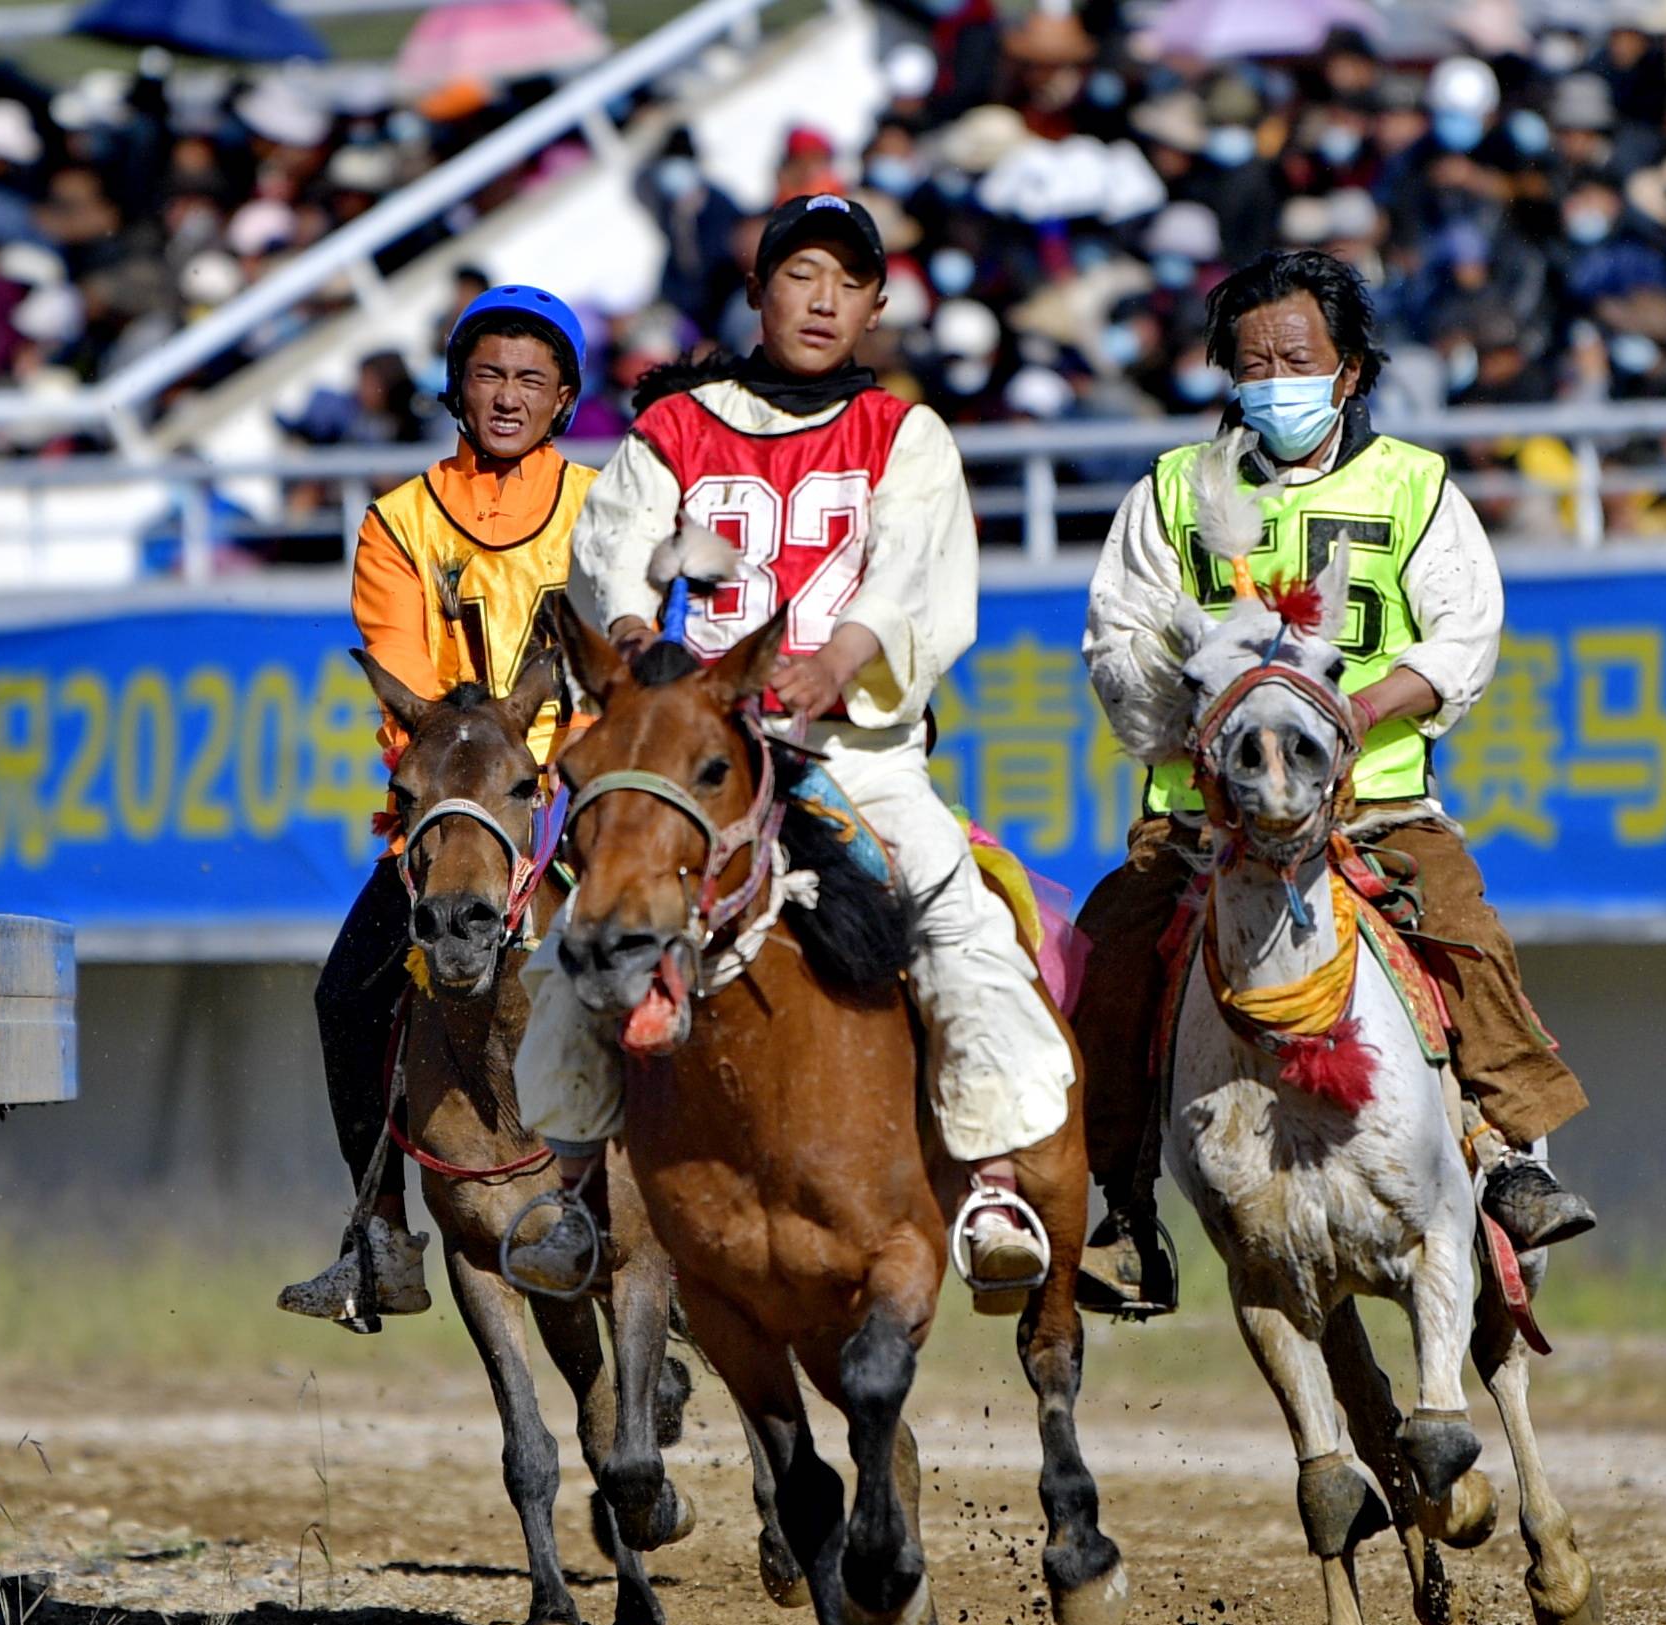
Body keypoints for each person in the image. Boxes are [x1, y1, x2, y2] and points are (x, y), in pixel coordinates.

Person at [507, 193, 1071, 1310]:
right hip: (691, 761)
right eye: (799, 275)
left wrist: (839, 659)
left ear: (876, 306)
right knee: (584, 931)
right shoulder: (674, 426)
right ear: (758, 291)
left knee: (961, 926)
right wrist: (639, 641)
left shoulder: (905, 434)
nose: (821, 300)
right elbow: (612, 553)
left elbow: (912, 575)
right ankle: (568, 1189)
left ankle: (994, 1183)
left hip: (852, 753)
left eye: (847, 282)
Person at [1076, 247, 1594, 1319]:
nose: (1274, 380)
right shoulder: (1170, 491)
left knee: (1461, 932)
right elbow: (1117, 638)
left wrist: (1357, 713)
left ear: (1348, 370)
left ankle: (1507, 1155)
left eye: (1296, 359)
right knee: (1108, 962)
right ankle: (1124, 1215)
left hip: (1376, 809)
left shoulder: (1414, 486)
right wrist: (1199, 717)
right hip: (1203, 823)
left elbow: (1462, 638)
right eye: (1252, 362)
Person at [280, 284, 596, 1328]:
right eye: (489, 374)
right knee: (345, 996)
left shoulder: (607, 507)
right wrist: (479, 785)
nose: (508, 395)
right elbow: (410, 698)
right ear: (457, 389)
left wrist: (565, 778)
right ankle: (380, 1235)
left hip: (583, 790)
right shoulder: (398, 521)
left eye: (531, 379)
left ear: (563, 399)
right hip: (461, 803)